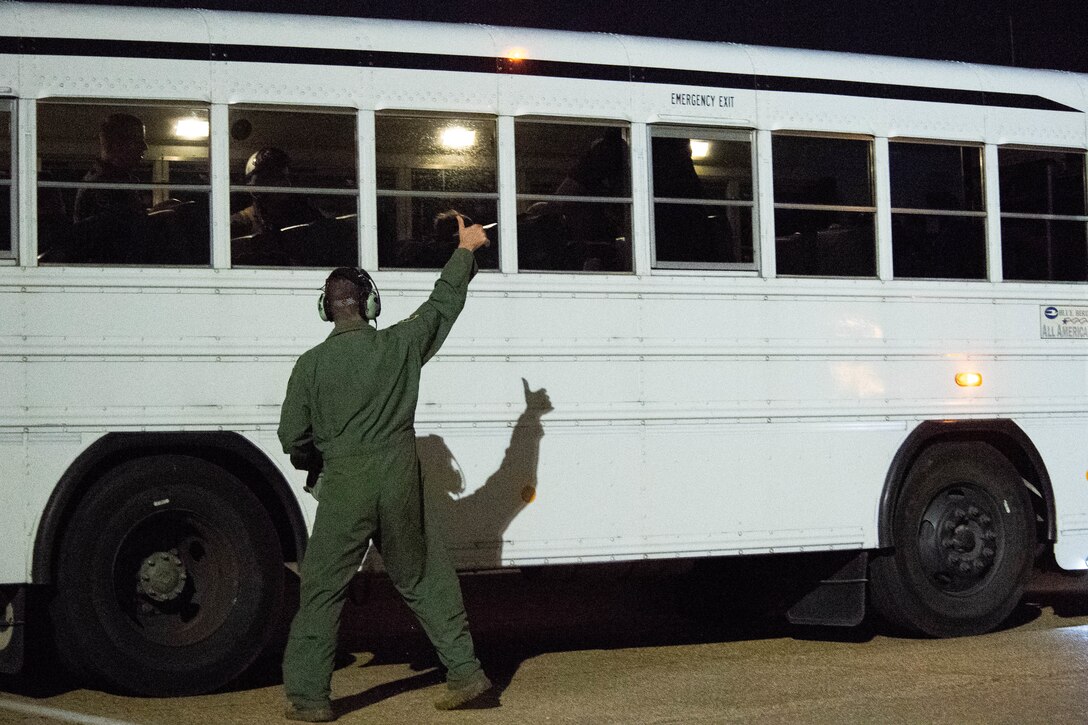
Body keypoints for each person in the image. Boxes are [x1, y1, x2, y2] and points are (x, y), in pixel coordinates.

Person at [278, 214, 493, 723]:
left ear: (325, 310)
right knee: (422, 574)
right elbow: (442, 306)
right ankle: (465, 672)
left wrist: (320, 461)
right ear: (371, 303)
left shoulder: (309, 365)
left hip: (344, 483)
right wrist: (464, 250)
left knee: (324, 588)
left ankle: (310, 698)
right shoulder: (399, 345)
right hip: (399, 477)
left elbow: (293, 439)